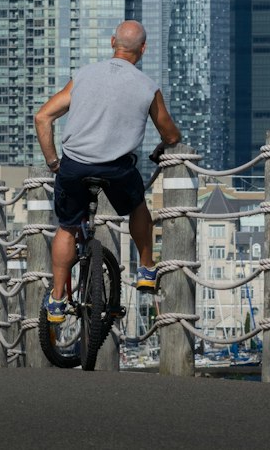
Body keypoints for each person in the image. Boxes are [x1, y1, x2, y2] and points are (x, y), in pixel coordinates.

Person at [34, 19, 182, 323]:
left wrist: (53, 163)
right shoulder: (147, 86)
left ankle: (58, 299)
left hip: (74, 165)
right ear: (143, 49)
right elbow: (170, 135)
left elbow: (42, 117)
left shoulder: (84, 76)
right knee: (138, 206)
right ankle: (145, 268)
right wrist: (166, 144)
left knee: (67, 226)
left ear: (112, 42)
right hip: (117, 168)